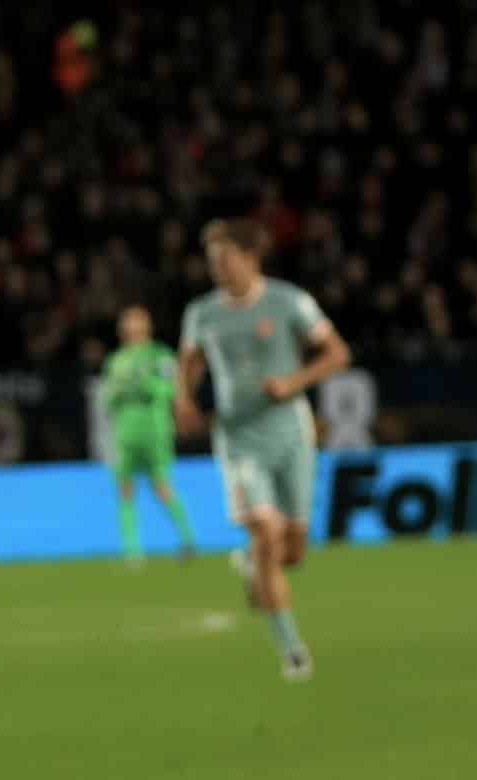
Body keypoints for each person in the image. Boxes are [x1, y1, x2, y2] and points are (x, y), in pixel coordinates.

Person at [175, 219, 351, 682]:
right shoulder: (202, 312)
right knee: (267, 531)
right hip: (237, 438)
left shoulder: (289, 300)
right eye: (212, 261)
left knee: (291, 551)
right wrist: (184, 400)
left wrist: (293, 382)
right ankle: (291, 648)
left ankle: (255, 563)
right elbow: (189, 363)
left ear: (250, 257)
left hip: (291, 434)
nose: (217, 269)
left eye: (225, 258)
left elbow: (337, 354)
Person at [99, 305, 198, 566]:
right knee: (124, 489)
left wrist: (148, 385)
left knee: (161, 487)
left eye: (137, 321)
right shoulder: (115, 360)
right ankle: (132, 551)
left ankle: (187, 539)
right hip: (125, 432)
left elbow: (172, 388)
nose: (132, 326)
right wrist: (115, 393)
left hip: (154, 430)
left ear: (147, 325)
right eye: (128, 321)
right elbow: (106, 398)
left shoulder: (160, 355)